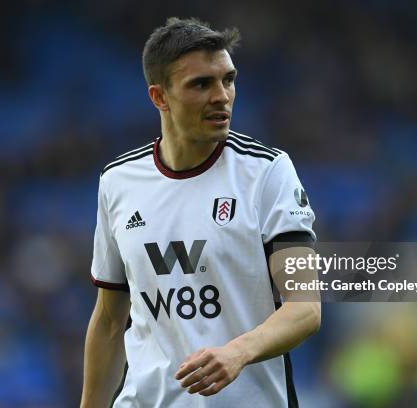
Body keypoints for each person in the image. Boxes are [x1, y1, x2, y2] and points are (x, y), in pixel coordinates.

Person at [80, 17, 320, 408]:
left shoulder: (267, 172)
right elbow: (109, 321)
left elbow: (305, 308)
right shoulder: (118, 182)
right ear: (159, 97)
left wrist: (238, 352)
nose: (222, 96)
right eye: (201, 84)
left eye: (228, 80)